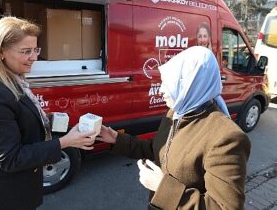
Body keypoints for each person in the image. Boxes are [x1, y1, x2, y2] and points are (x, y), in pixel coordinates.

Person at [0, 17, 95, 210]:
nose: (34, 57)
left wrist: (49, 119)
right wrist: (66, 142)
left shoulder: (11, 80)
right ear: (1, 52)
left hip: (15, 193)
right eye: (26, 51)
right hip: (1, 200)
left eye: (35, 50)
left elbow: (16, 122)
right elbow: (11, 158)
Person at [98, 46, 250, 209]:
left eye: (169, 83)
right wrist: (115, 139)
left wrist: (163, 188)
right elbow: (158, 148)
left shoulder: (226, 138)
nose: (162, 90)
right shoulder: (177, 112)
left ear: (191, 85)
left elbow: (224, 207)